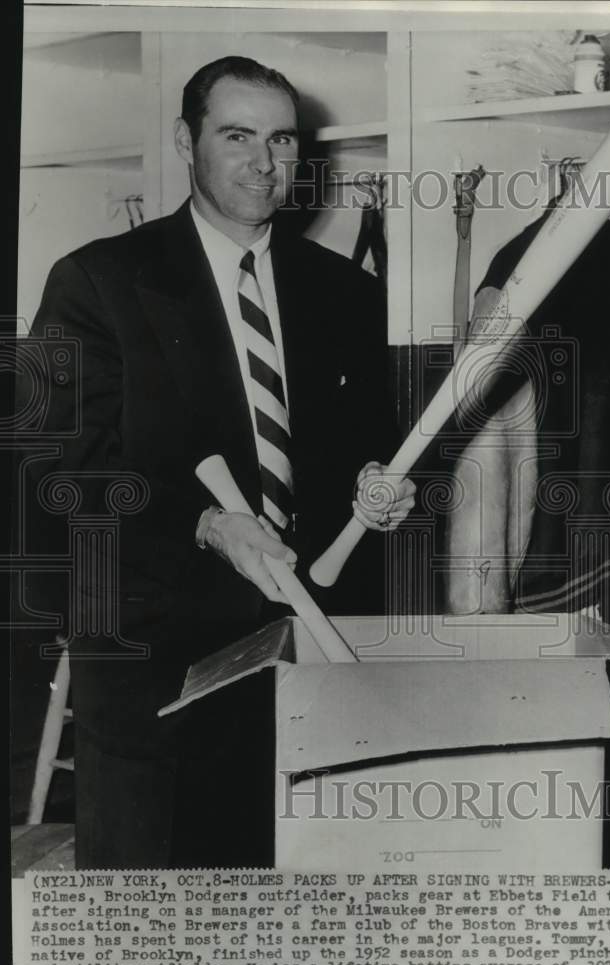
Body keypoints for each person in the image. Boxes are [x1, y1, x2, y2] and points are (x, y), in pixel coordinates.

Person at [18, 56, 415, 869]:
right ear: (184, 141)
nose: (264, 164)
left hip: (301, 647)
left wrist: (383, 489)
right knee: (149, 916)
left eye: (282, 140)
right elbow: (61, 471)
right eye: (237, 136)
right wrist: (204, 522)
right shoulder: (99, 282)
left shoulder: (346, 292)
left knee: (288, 897)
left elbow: (363, 451)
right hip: (154, 657)